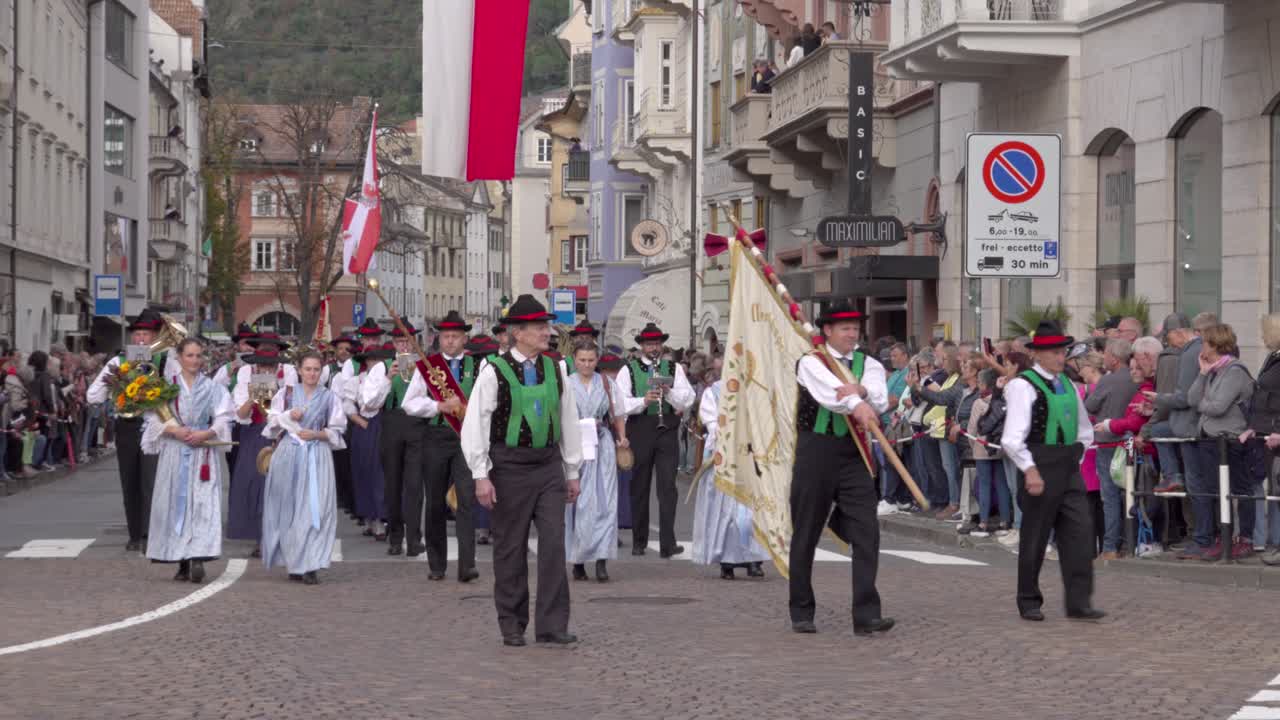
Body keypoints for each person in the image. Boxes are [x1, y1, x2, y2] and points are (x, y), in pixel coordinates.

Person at [461, 294, 582, 647]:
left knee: (553, 545)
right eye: (540, 327)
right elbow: (476, 424)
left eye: (546, 326)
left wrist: (571, 470)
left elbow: (568, 420)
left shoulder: (557, 368)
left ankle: (551, 624)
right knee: (510, 548)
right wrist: (480, 474)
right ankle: (512, 623)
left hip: (547, 466)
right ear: (519, 333)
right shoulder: (493, 371)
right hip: (509, 467)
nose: (548, 332)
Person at [789, 302, 892, 635]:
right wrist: (856, 402)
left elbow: (879, 395)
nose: (852, 333)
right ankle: (801, 610)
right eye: (844, 328)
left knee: (867, 532)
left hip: (853, 454)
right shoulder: (810, 362)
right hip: (815, 451)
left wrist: (862, 392)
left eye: (855, 328)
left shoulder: (870, 364)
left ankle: (866, 614)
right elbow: (830, 395)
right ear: (827, 331)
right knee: (806, 531)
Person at [999, 320, 1104, 623]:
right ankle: (1029, 600)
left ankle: (1079, 602)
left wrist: (1078, 452)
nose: (1062, 357)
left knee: (1081, 533)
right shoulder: (1022, 385)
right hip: (1039, 464)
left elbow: (1084, 428)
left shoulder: (1069, 384)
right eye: (1056, 352)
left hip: (1068, 465)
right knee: (1036, 535)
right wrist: (1030, 470)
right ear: (1037, 355)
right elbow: (1011, 438)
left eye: (1063, 352)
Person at [86, 308, 181, 551]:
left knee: (151, 482)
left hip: (153, 426)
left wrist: (157, 393)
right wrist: (118, 389)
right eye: (137, 334)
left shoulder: (166, 360)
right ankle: (135, 535)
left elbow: (178, 391)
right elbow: (93, 396)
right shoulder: (119, 361)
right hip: (127, 426)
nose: (140, 338)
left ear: (154, 337)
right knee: (129, 482)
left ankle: (151, 534)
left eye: (145, 334)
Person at [142, 337, 234, 583]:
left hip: (202, 452)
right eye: (190, 355)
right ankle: (180, 558)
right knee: (175, 502)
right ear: (180, 358)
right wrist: (174, 431)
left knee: (202, 504)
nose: (194, 360)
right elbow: (152, 419)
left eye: (198, 355)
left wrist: (208, 432)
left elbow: (225, 417)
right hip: (175, 451)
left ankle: (197, 556)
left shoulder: (213, 387)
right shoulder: (166, 386)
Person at [404, 310, 479, 581]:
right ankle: (437, 565)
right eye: (445, 336)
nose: (450, 341)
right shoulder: (429, 366)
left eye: (455, 336)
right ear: (439, 338)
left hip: (465, 440)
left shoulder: (478, 366)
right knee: (435, 501)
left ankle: (467, 565)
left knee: (466, 500)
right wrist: (438, 405)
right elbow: (409, 404)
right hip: (435, 438)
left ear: (464, 338)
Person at [261, 352, 347, 585]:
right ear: (299, 369)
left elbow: (338, 429)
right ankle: (294, 561)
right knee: (288, 508)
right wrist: (289, 415)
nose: (311, 373)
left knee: (315, 507)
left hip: (317, 454)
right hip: (289, 453)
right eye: (307, 369)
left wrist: (318, 434)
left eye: (316, 369)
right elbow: (271, 422)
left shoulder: (330, 397)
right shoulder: (285, 394)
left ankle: (310, 563)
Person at [616, 322, 694, 558]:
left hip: (667, 429)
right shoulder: (628, 370)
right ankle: (639, 542)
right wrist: (644, 401)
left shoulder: (674, 368)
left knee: (667, 486)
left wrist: (668, 392)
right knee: (639, 485)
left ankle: (667, 543)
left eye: (657, 344)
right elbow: (620, 403)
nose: (653, 348)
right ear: (641, 346)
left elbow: (687, 399)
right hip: (640, 428)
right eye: (649, 344)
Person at [1184, 323, 1256, 561]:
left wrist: (1202, 403)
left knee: (1239, 489)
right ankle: (1222, 537)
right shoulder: (1213, 370)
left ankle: (1244, 539)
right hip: (1209, 438)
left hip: (1229, 440)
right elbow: (1191, 398)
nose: (1201, 347)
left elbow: (1217, 407)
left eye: (1204, 342)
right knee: (1215, 490)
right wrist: (1203, 374)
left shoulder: (1234, 371)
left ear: (1215, 345)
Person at [227, 333, 298, 556]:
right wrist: (254, 396)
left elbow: (293, 404)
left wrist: (280, 392)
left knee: (282, 484)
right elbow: (240, 414)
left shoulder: (288, 372)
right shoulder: (246, 373)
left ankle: (283, 535)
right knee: (255, 483)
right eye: (263, 362)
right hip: (254, 432)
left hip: (281, 431)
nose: (267, 367)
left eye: (271, 361)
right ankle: (260, 537)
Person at [361, 321, 428, 557]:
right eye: (399, 342)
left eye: (407, 341)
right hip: (391, 424)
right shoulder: (382, 367)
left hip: (417, 425)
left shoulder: (424, 366)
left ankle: (414, 538)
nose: (403, 345)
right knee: (392, 484)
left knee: (414, 485)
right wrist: (388, 379)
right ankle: (395, 537)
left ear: (414, 342)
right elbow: (369, 403)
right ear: (393, 344)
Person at [692, 376, 767, 579]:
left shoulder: (758, 386)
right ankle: (727, 561)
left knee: (749, 511)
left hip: (751, 458)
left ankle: (753, 559)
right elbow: (712, 424)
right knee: (725, 512)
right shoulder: (714, 391)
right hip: (724, 457)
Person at [564, 341, 625, 583]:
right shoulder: (566, 384)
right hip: (576, 446)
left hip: (602, 445)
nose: (587, 364)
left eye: (591, 360)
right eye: (582, 360)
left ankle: (602, 559)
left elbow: (617, 413)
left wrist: (622, 436)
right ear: (575, 360)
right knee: (579, 503)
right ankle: (578, 559)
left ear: (596, 360)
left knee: (606, 501)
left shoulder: (608, 384)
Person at [348, 339, 393, 540]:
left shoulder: (391, 376)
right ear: (365, 362)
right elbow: (347, 406)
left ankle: (383, 517)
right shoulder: (356, 381)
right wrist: (361, 422)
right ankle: (370, 518)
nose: (375, 364)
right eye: (371, 360)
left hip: (386, 424)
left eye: (379, 360)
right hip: (365, 427)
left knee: (384, 474)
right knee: (366, 472)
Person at [213, 322, 257, 475]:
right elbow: (214, 395)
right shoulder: (226, 369)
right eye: (245, 344)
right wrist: (229, 375)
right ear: (238, 346)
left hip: (256, 423)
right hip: (234, 425)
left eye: (253, 344)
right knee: (235, 468)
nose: (250, 348)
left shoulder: (262, 367)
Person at [325, 333, 359, 515]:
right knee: (338, 459)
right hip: (335, 417)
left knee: (351, 459)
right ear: (335, 351)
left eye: (347, 349)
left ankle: (350, 496)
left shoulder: (355, 367)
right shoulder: (328, 370)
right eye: (340, 349)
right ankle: (339, 494)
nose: (344, 352)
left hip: (353, 417)